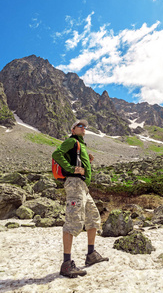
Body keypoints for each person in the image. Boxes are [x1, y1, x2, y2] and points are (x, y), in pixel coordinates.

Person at [52, 119, 109, 278]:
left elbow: (77, 162)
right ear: (73, 129)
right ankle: (66, 265)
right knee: (73, 221)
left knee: (93, 217)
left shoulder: (80, 145)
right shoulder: (71, 141)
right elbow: (56, 154)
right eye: (80, 126)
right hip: (74, 185)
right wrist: (71, 169)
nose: (84, 128)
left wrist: (87, 162)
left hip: (83, 187)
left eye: (85, 126)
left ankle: (91, 255)